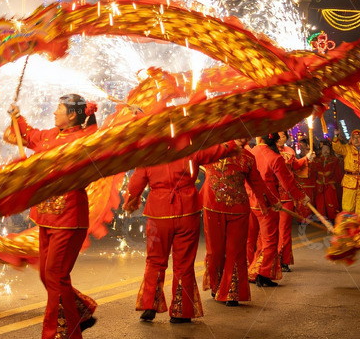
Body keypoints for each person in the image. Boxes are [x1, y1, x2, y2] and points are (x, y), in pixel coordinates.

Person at [4, 95, 99, 339]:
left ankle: (64, 336)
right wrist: (17, 115)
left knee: (56, 275)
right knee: (48, 276)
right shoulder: (50, 136)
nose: (54, 113)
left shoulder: (84, 141)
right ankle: (81, 311)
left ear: (72, 115)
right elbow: (30, 135)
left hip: (69, 217)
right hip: (46, 217)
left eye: (59, 109)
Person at [123, 139, 235, 322]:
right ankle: (181, 312)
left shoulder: (149, 154)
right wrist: (230, 143)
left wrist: (130, 202)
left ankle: (150, 304)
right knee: (184, 264)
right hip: (187, 212)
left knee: (154, 261)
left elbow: (135, 186)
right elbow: (216, 152)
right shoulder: (192, 148)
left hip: (159, 215)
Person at [201, 138, 274, 307]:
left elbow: (257, 182)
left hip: (239, 210)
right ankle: (216, 285)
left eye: (245, 134)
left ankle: (231, 292)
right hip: (212, 208)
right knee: (215, 252)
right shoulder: (211, 151)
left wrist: (271, 200)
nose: (243, 139)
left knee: (235, 251)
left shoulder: (248, 157)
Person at [247, 134, 312, 287]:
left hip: (251, 202)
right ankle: (262, 274)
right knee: (270, 240)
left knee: (259, 239)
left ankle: (254, 270)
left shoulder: (251, 152)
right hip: (268, 203)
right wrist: (301, 197)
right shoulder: (275, 157)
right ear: (276, 141)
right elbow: (287, 181)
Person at [276, 132, 314, 272]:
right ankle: (267, 261)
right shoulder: (269, 152)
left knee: (284, 229)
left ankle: (283, 260)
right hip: (270, 196)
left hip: (286, 195)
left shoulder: (290, 151)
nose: (281, 138)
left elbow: (295, 166)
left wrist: (306, 158)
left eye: (283, 136)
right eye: (278, 136)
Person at [332, 129, 360, 216]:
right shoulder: (347, 149)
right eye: (354, 138)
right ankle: (348, 228)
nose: (356, 140)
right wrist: (336, 136)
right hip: (349, 182)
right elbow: (337, 148)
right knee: (347, 208)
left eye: (358, 137)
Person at [311, 141, 342, 221]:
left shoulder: (334, 160)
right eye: (324, 149)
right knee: (320, 202)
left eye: (327, 149)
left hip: (330, 184)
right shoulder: (316, 160)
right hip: (319, 184)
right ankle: (322, 219)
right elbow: (313, 171)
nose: (326, 151)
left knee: (331, 201)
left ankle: (333, 217)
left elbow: (338, 172)